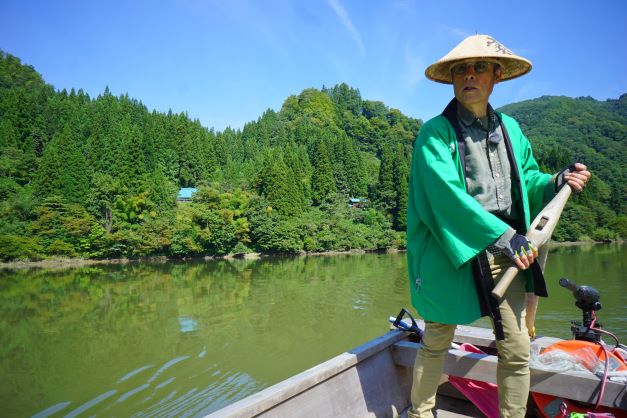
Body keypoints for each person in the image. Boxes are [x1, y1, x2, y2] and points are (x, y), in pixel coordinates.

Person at [406, 34, 591, 418]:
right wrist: (505, 238)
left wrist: (558, 180)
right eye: (461, 70)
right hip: (453, 251)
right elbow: (446, 199)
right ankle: (420, 413)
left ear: (496, 76)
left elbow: (528, 180)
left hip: (509, 254)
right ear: (453, 79)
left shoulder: (510, 128)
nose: (469, 76)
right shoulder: (434, 134)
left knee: (516, 347)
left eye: (478, 69)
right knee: (437, 338)